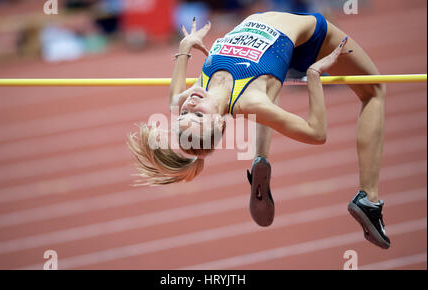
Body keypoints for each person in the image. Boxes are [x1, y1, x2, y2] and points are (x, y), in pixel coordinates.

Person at [128, 12, 389, 249]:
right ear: (220, 124)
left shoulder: (198, 91)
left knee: (267, 97)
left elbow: (174, 99)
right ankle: (369, 198)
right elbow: (316, 134)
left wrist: (185, 47)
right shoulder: (249, 102)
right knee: (374, 91)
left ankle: (260, 158)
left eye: (184, 114)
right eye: (197, 115)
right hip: (311, 37)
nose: (190, 105)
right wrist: (313, 74)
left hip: (277, 51)